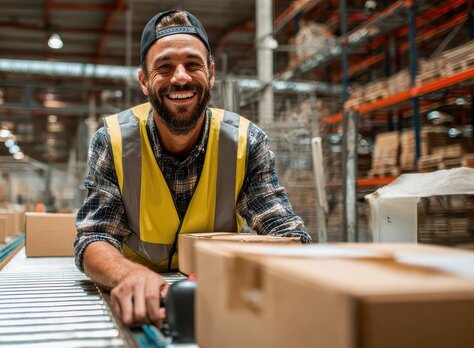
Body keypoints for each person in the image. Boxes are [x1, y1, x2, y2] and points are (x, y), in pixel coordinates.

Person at [75, 9, 311, 328]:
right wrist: (129, 275)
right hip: (139, 299)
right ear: (144, 80)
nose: (181, 77)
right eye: (165, 66)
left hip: (220, 297)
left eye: (193, 64)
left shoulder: (245, 141)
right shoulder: (114, 139)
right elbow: (94, 237)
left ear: (211, 73)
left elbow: (284, 231)